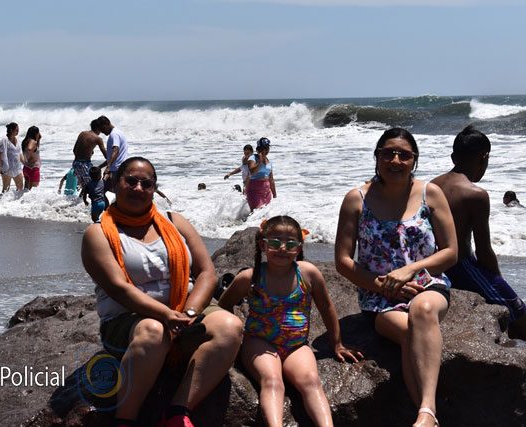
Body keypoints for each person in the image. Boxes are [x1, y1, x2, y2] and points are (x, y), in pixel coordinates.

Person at [81, 157, 243, 427]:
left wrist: (189, 312)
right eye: (131, 181)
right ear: (115, 183)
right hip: (128, 319)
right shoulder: (98, 233)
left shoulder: (174, 221)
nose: (138, 188)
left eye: (146, 183)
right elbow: (118, 288)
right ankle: (125, 420)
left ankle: (178, 412)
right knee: (154, 332)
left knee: (231, 326)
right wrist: (166, 316)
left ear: (154, 189)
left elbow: (206, 272)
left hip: (184, 311)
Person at [335, 128, 458, 427]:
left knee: (423, 311)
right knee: (408, 333)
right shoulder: (356, 199)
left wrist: (410, 270)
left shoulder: (431, 193)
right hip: (379, 297)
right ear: (376, 157)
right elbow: (343, 261)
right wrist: (382, 285)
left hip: (427, 285)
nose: (395, 160)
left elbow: (451, 252)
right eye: (388, 153)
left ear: (414, 160)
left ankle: (426, 412)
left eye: (404, 155)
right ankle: (429, 416)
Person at [219, 215, 362, 427]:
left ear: (299, 248)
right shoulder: (250, 277)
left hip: (296, 345)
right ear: (262, 245)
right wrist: (233, 338)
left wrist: (337, 343)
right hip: (259, 342)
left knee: (311, 382)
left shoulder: (308, 274)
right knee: (273, 381)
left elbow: (326, 308)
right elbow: (224, 305)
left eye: (291, 243)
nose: (283, 248)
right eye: (275, 242)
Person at [432, 126, 526, 339]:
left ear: (453, 157)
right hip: (461, 267)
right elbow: (484, 250)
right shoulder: (476, 194)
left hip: (436, 265)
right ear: (484, 157)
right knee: (520, 315)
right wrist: (498, 279)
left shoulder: (432, 186)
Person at [73, 118, 107, 187]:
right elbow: (107, 157)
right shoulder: (98, 139)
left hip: (76, 163)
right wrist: (99, 167)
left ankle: (81, 194)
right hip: (85, 164)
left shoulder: (82, 134)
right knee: (91, 186)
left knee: (84, 187)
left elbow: (74, 150)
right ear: (98, 128)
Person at [98, 115, 129, 191]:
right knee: (107, 191)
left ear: (107, 124)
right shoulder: (117, 132)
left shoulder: (114, 134)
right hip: (119, 168)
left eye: (103, 129)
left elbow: (116, 150)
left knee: (116, 193)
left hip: (117, 170)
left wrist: (108, 167)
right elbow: (112, 156)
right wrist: (100, 167)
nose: (102, 132)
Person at [246, 137, 276, 211]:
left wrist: (274, 194)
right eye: (264, 148)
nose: (266, 150)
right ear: (259, 149)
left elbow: (271, 179)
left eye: (267, 148)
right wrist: (260, 161)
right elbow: (252, 172)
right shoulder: (252, 158)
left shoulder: (269, 161)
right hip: (254, 191)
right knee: (256, 213)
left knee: (266, 214)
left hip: (267, 192)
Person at [0, 122, 24, 192]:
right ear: (11, 130)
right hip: (7, 169)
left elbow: (19, 154)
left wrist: (26, 163)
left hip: (17, 168)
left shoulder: (17, 140)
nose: (18, 131)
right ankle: (1, 199)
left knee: (20, 188)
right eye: (16, 130)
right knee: (6, 189)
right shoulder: (4, 140)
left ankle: (15, 199)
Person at [21, 126, 41, 190]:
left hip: (26, 168)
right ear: (36, 133)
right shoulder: (33, 141)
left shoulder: (25, 141)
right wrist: (31, 157)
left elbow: (34, 150)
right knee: (33, 191)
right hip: (33, 168)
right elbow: (30, 148)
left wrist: (38, 140)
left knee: (26, 191)